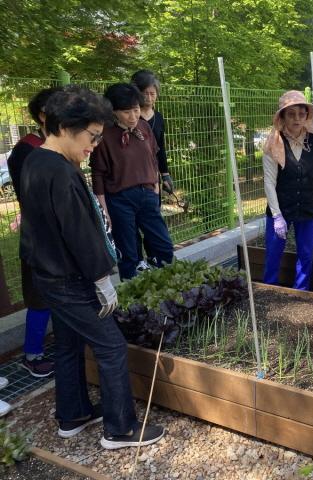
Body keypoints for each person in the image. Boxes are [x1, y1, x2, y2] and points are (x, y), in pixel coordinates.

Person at [19, 85, 164, 448]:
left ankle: (74, 414)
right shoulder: (62, 173)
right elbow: (80, 232)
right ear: (67, 126)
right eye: (92, 136)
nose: (95, 145)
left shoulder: (36, 161)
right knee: (112, 347)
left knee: (68, 344)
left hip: (49, 274)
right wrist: (102, 279)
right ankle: (121, 429)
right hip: (71, 278)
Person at [90, 83, 174, 280]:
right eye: (126, 112)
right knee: (128, 252)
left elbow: (153, 156)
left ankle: (170, 285)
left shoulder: (144, 127)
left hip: (147, 195)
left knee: (163, 245)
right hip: (119, 200)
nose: (133, 116)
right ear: (113, 112)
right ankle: (132, 298)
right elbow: (98, 174)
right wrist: (104, 208)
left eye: (136, 110)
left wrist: (154, 184)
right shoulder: (105, 135)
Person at [7, 87, 60, 378]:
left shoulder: (59, 145)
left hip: (61, 232)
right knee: (38, 295)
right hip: (39, 235)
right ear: (43, 115)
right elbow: (32, 196)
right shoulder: (26, 151)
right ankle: (33, 354)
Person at [262, 91, 313, 290]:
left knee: (306, 253)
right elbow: (269, 182)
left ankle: (300, 292)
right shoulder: (273, 144)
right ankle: (269, 290)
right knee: (273, 253)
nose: (297, 119)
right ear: (283, 117)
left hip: (307, 208)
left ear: (307, 116)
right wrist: (277, 215)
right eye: (291, 114)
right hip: (281, 209)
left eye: (301, 114)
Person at [131, 70, 173, 273]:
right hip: (131, 176)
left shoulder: (158, 117)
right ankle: (137, 261)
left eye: (152, 93)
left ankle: (154, 256)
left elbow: (161, 148)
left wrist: (165, 174)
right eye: (145, 93)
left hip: (152, 175)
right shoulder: (131, 116)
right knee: (132, 223)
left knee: (152, 217)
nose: (149, 97)